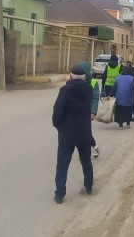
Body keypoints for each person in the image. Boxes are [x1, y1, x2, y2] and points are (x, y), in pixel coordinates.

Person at [51, 64, 95, 203]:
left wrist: (58, 126)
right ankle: (89, 186)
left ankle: (60, 194)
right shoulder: (88, 90)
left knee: (63, 164)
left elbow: (57, 112)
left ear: (70, 76)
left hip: (67, 134)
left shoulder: (65, 91)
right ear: (84, 77)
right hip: (84, 132)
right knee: (86, 161)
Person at [76, 61, 101, 159]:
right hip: (75, 112)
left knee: (85, 132)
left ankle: (94, 147)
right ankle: (83, 150)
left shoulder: (93, 83)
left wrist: (93, 112)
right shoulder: (75, 80)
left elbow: (95, 98)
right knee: (78, 132)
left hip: (87, 111)